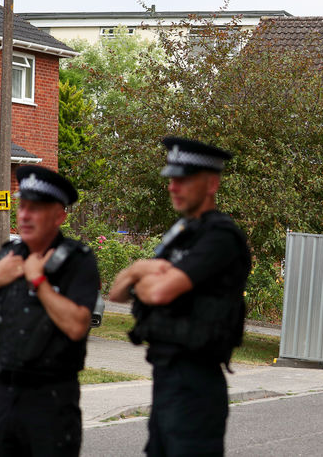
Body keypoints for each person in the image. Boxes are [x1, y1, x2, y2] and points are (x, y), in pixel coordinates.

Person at [110, 136, 251, 457]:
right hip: (167, 379)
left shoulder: (221, 237)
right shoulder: (182, 234)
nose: (173, 186)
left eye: (183, 179)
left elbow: (159, 291)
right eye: (171, 179)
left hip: (196, 383)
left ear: (212, 183)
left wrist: (147, 276)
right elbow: (117, 292)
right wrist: (140, 269)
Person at [0, 165, 99, 457]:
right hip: (1, 396)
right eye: (22, 206)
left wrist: (39, 281)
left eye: (35, 208)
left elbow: (77, 326)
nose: (24, 215)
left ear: (59, 216)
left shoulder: (78, 261)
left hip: (50, 400)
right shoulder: (7, 257)